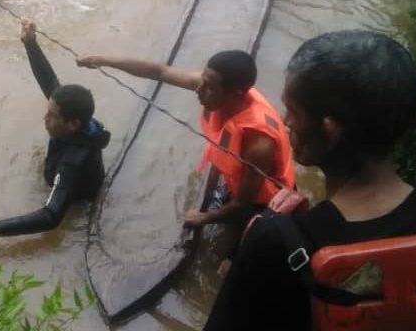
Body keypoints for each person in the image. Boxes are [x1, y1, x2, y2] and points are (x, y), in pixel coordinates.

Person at [205, 30, 416, 331]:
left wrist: (284, 228)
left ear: (329, 131)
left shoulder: (274, 243)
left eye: (293, 111)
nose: (284, 122)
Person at [76, 51, 294, 231]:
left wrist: (204, 217)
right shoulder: (215, 87)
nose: (198, 90)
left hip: (265, 201)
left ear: (236, 94)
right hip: (241, 179)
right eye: (202, 81)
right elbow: (159, 71)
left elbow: (245, 202)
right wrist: (102, 60)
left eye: (207, 87)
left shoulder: (259, 143)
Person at [0, 19, 110, 237]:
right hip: (62, 172)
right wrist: (30, 43)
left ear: (73, 124)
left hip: (76, 201)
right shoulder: (75, 115)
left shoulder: (73, 162)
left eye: (52, 116)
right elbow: (49, 81)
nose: (45, 118)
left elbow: (51, 217)